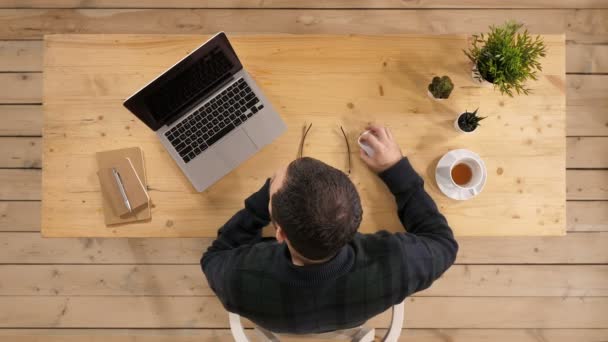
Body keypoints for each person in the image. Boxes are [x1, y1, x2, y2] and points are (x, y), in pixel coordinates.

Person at [201, 124, 458, 334]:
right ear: (355, 218)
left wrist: (260, 205)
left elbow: (214, 256)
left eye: (273, 185)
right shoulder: (399, 265)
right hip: (352, 312)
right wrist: (395, 169)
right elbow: (444, 244)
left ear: (279, 234)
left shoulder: (237, 280)